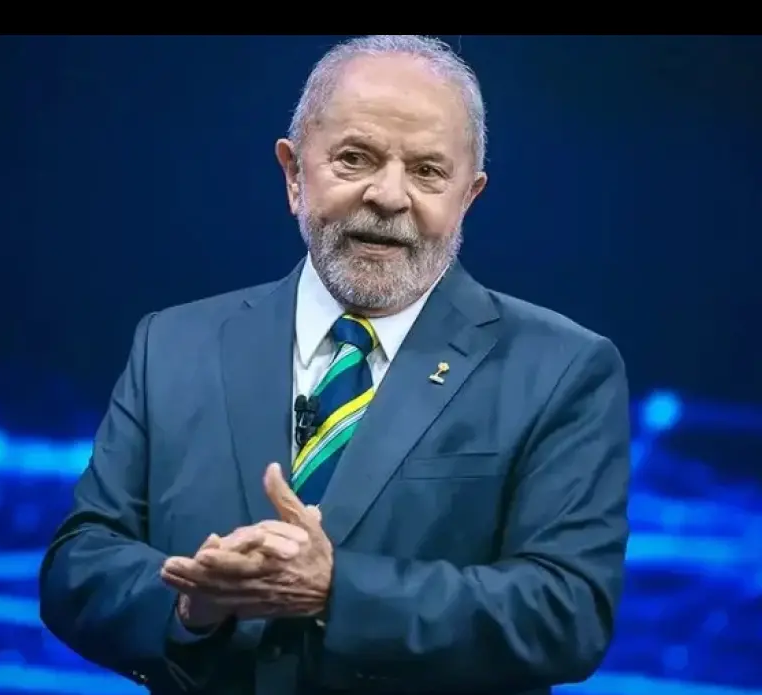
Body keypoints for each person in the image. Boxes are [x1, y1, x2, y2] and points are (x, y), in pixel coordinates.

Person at [39, 34, 631, 695]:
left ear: (469, 197)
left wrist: (336, 590)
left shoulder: (561, 369)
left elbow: (566, 612)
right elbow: (78, 565)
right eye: (355, 159)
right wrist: (186, 605)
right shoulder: (173, 345)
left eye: (428, 172)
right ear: (293, 174)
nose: (389, 195)